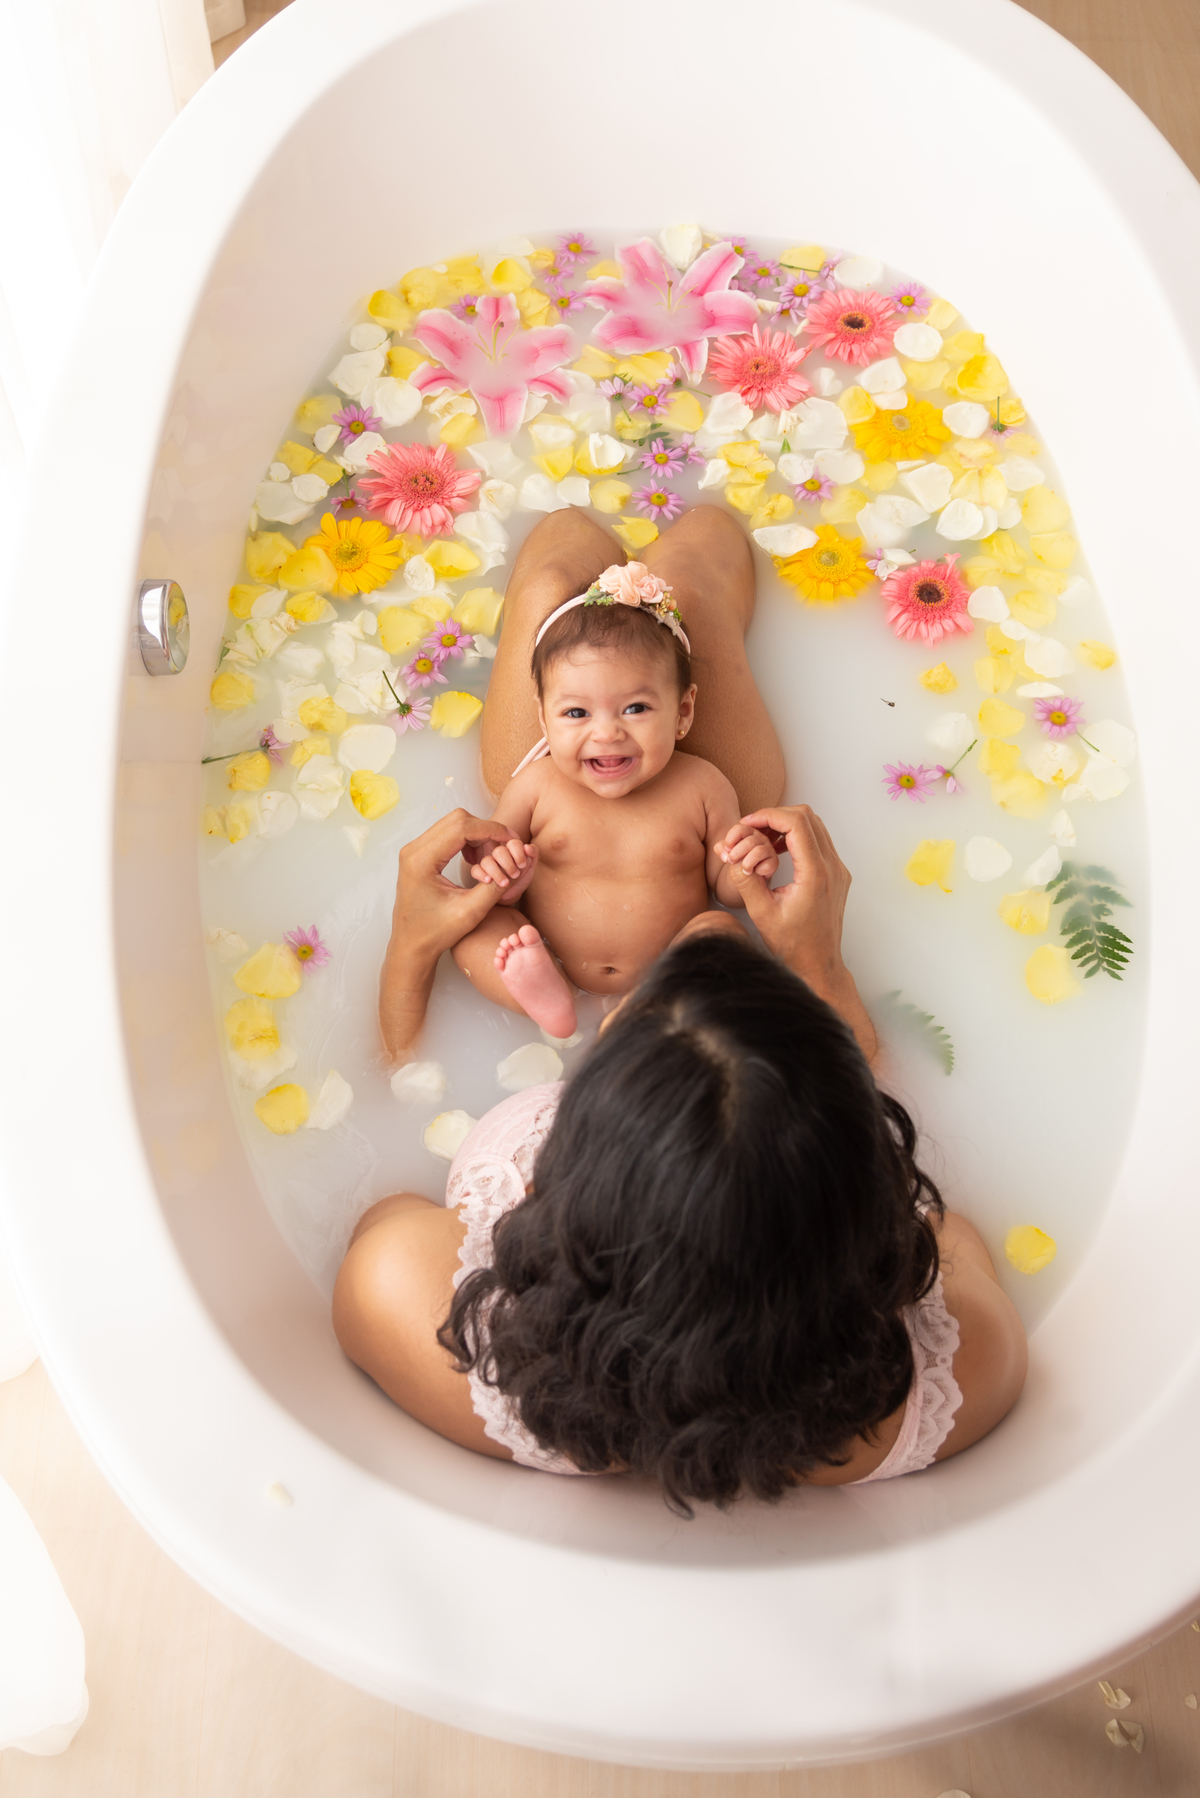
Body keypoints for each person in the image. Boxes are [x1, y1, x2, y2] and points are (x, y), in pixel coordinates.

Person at [334, 507, 1027, 1509]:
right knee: (692, 576)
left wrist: (411, 941)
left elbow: (388, 1192)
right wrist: (816, 963)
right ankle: (680, 573)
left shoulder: (420, 1307)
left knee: (548, 587)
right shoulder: (963, 1375)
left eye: (641, 1020)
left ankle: (598, 562)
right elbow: (952, 1237)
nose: (696, 944)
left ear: (568, 1190)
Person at [447, 557, 780, 1039]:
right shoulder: (536, 785)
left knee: (721, 931)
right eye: (577, 712)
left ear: (683, 711)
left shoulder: (703, 786)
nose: (606, 733)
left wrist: (748, 863)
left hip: (670, 968)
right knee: (475, 928)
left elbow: (726, 891)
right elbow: (482, 870)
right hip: (544, 950)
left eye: (636, 708)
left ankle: (655, 1005)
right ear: (543, 720)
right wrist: (493, 869)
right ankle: (546, 996)